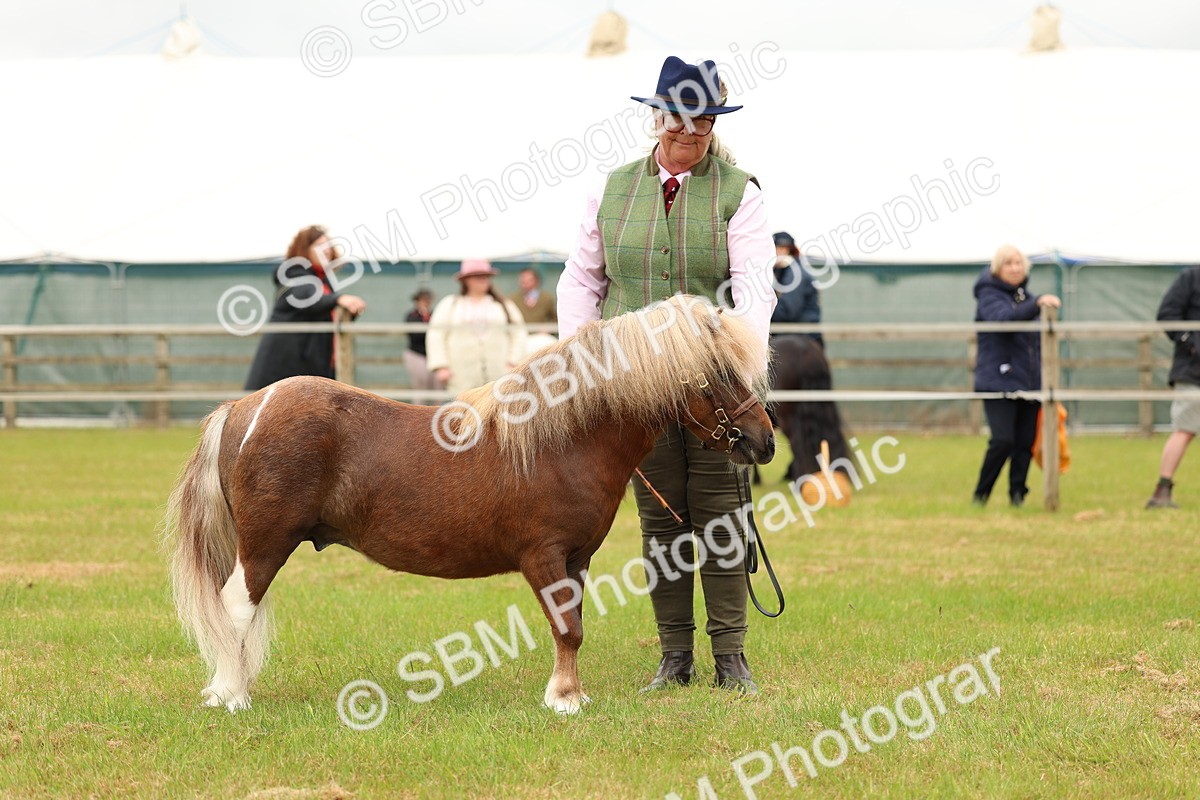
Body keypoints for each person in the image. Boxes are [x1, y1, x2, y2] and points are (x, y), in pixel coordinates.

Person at [557, 56, 776, 694]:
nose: (689, 137)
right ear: (656, 120)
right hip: (633, 383)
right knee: (662, 521)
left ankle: (730, 657)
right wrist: (580, 355)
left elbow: (754, 289)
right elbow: (583, 279)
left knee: (720, 513)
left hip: (713, 382)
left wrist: (743, 372)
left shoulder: (741, 192)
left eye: (702, 126)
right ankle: (673, 657)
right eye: (679, 125)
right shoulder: (612, 188)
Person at [971, 245, 1061, 507]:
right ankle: (981, 495)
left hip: (1029, 382)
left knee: (1024, 442)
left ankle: (1017, 494)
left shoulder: (1027, 298)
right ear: (998, 268)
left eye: (1018, 263)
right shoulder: (989, 295)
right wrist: (1037, 304)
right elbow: (1002, 321)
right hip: (998, 381)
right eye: (1008, 263)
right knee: (1002, 440)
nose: (1014, 268)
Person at [245, 226, 367, 391]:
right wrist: (338, 299)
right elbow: (306, 296)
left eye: (329, 245)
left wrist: (348, 311)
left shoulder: (323, 279)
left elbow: (324, 311)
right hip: (285, 367)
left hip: (309, 366)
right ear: (305, 249)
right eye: (320, 246)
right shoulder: (292, 271)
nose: (327, 250)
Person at [426, 259, 527, 395]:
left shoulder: (504, 305)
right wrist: (441, 366)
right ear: (466, 280)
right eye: (478, 277)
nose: (483, 280)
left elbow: (518, 333)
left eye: (486, 276)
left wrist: (513, 362)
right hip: (460, 377)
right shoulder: (450, 304)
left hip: (499, 375)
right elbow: (436, 335)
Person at [1145, 265, 1200, 508]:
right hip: (1193, 370)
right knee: (1185, 428)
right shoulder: (1191, 277)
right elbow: (1168, 314)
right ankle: (1162, 491)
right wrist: (1191, 343)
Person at [769, 231, 822, 347]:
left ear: (790, 250)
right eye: (776, 248)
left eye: (783, 248)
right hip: (791, 337)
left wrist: (761, 309)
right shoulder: (778, 271)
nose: (779, 252)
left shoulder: (795, 274)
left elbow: (787, 312)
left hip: (804, 342)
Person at [404, 288, 438, 392]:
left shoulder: (435, 315)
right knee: (420, 386)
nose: (426, 302)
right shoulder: (412, 316)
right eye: (423, 300)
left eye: (427, 300)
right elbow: (414, 335)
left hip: (432, 354)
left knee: (437, 387)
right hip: (417, 353)